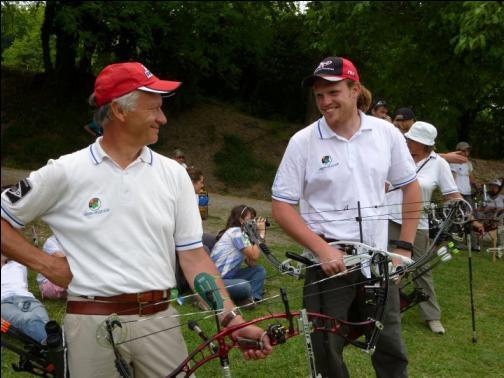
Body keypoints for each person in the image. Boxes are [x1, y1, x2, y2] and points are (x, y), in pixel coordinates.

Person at [1, 62, 271, 378]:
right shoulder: (65, 171)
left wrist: (231, 319)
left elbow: (194, 257)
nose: (163, 118)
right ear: (119, 110)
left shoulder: (174, 175)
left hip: (160, 322)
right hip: (90, 324)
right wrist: (47, 266)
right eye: (154, 108)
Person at [272, 56, 421, 378]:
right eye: (319, 95)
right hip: (327, 267)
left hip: (379, 262)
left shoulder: (386, 134)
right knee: (327, 351)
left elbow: (411, 188)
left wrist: (404, 248)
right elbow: (281, 206)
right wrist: (321, 249)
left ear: (355, 90)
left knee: (390, 347)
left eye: (333, 92)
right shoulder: (303, 142)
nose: (325, 102)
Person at [386, 121, 462, 335]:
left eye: (412, 140)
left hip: (418, 225)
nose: (407, 141)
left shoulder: (439, 164)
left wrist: (460, 208)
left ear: (424, 144)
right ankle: (389, 310)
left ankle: (432, 316)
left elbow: (452, 194)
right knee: (388, 267)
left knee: (421, 270)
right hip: (388, 219)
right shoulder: (398, 156)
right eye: (408, 138)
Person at [210, 205, 267, 307]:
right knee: (244, 286)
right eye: (251, 219)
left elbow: (252, 263)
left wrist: (255, 237)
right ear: (241, 220)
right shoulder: (236, 232)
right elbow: (254, 256)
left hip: (229, 277)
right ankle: (243, 297)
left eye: (254, 219)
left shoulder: (244, 235)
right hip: (216, 280)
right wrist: (260, 233)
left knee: (259, 270)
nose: (254, 222)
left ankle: (252, 299)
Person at [1, 254, 50, 344]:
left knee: (45, 322)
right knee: (27, 318)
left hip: (27, 298)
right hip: (3, 303)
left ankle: (52, 341)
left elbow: (20, 250)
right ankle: (52, 344)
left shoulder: (18, 263)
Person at [393, 108, 468, 165]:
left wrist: (442, 157)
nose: (399, 123)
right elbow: (403, 156)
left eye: (403, 120)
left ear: (412, 120)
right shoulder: (394, 135)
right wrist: (444, 157)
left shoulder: (422, 133)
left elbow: (424, 153)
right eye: (397, 120)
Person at [450, 141, 481, 250]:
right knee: (456, 218)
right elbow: (452, 177)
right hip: (457, 193)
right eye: (465, 150)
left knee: (471, 217)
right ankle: (456, 243)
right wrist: (452, 193)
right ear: (460, 150)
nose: (467, 152)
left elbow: (470, 177)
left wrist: (477, 187)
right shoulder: (453, 162)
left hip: (467, 193)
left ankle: (474, 244)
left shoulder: (468, 163)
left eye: (468, 150)